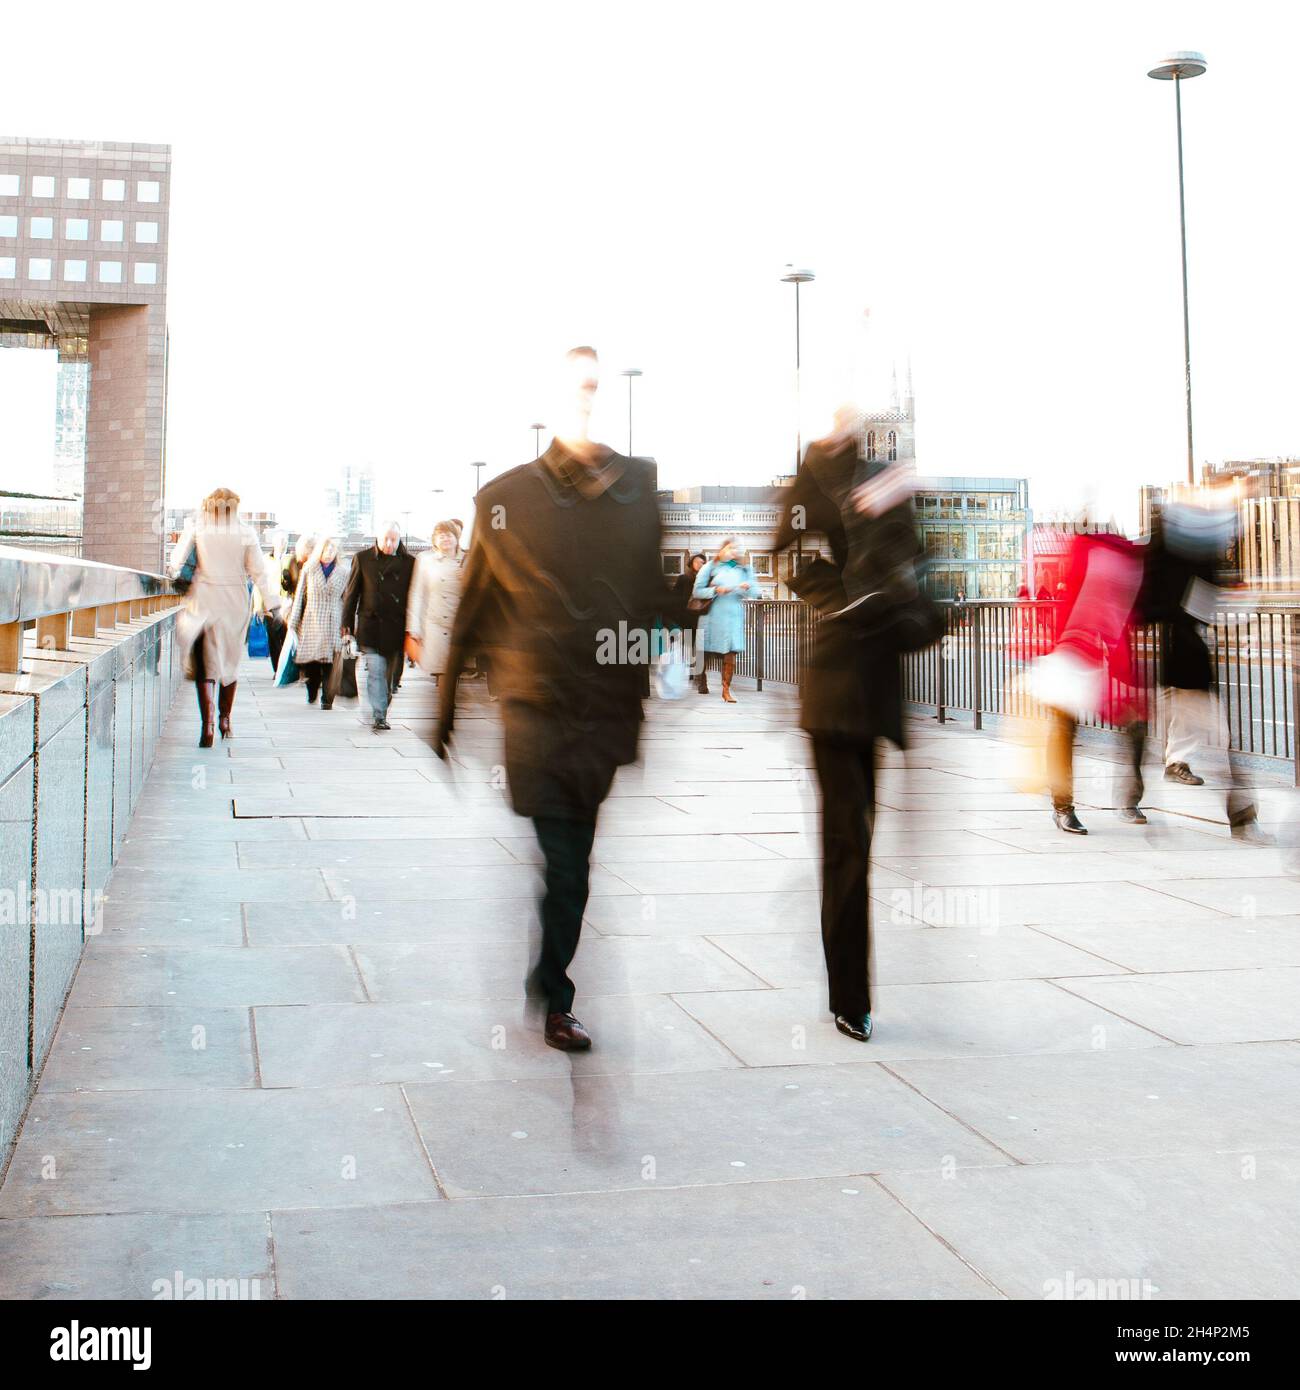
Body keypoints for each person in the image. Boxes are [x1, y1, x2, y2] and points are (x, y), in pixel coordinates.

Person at [435, 346, 663, 1052]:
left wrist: (646, 669)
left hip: (601, 712)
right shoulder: (503, 500)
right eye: (577, 387)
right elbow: (473, 608)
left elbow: (650, 598)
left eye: (596, 386)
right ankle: (555, 994)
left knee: (575, 865)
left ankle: (548, 979)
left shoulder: (639, 486)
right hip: (536, 710)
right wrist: (442, 708)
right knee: (564, 860)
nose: (588, 398)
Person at [773, 406, 930, 1044]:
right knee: (847, 849)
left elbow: (919, 586)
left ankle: (850, 989)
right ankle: (850, 995)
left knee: (859, 843)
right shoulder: (808, 487)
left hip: (877, 694)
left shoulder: (888, 482)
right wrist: (862, 600)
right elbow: (794, 560)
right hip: (836, 697)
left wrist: (911, 609)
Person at [1144, 496, 1270, 842]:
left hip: (1176, 661)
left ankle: (1139, 797)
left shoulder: (1166, 560)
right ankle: (1242, 820)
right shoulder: (1195, 560)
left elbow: (1149, 608)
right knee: (1223, 742)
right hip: (1188, 663)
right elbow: (1204, 605)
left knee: (1143, 732)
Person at [1038, 528, 1148, 834]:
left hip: (1105, 651)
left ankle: (1125, 798)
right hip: (1072, 650)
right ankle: (1063, 806)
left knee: (1133, 721)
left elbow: (1128, 612)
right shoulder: (1086, 550)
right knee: (1064, 725)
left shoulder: (1120, 559)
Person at [170, 488, 279, 747]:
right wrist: (273, 605)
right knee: (229, 665)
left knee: (206, 666)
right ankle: (225, 720)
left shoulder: (197, 527)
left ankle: (206, 725)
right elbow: (260, 573)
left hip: (203, 602)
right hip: (234, 603)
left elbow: (176, 562)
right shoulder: (245, 532)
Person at [341, 523, 415, 732]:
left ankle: (380, 706)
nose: (389, 544)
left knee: (389, 676)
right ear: (377, 538)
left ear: (399, 539)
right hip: (370, 625)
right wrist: (346, 625)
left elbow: (415, 597)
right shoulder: (362, 559)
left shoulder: (410, 563)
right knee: (375, 670)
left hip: (396, 627)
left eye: (394, 539)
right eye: (386, 539)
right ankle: (379, 714)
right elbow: (351, 594)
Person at [692, 538, 756, 702]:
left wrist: (747, 588)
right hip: (712, 618)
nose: (733, 551)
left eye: (735, 549)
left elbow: (755, 591)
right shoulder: (709, 567)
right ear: (722, 549)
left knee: (730, 655)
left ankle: (726, 690)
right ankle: (701, 679)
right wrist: (715, 590)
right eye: (730, 548)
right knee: (705, 654)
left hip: (733, 618)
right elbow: (697, 591)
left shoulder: (743, 569)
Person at [287, 536, 347, 709]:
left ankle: (327, 699)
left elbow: (348, 599)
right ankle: (312, 690)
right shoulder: (309, 569)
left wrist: (349, 624)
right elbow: (299, 596)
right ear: (319, 551)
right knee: (312, 663)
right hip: (313, 620)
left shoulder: (343, 572)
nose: (329, 553)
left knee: (331, 663)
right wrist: (293, 622)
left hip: (333, 620)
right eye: (326, 549)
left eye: (332, 550)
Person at [406, 519, 464, 685]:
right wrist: (414, 628)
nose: (445, 539)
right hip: (435, 625)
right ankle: (445, 708)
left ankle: (446, 708)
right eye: (441, 536)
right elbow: (417, 594)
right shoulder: (425, 560)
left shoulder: (467, 560)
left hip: (459, 626)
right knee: (443, 674)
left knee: (452, 674)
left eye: (449, 535)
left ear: (457, 538)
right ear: (434, 540)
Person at [672, 553, 709, 692]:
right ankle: (692, 672)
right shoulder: (683, 579)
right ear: (691, 563)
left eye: (703, 562)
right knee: (688, 648)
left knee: (700, 649)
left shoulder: (706, 580)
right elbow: (675, 598)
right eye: (698, 562)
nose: (701, 564)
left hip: (702, 618)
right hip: (687, 619)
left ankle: (701, 679)